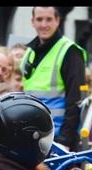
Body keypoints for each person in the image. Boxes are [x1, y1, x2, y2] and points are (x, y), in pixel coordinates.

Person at [21, 6, 87, 152]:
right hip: (32, 136)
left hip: (58, 139)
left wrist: (65, 140)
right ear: (32, 22)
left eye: (49, 19)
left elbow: (75, 100)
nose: (44, 24)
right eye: (39, 19)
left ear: (57, 21)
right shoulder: (29, 53)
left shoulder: (70, 51)